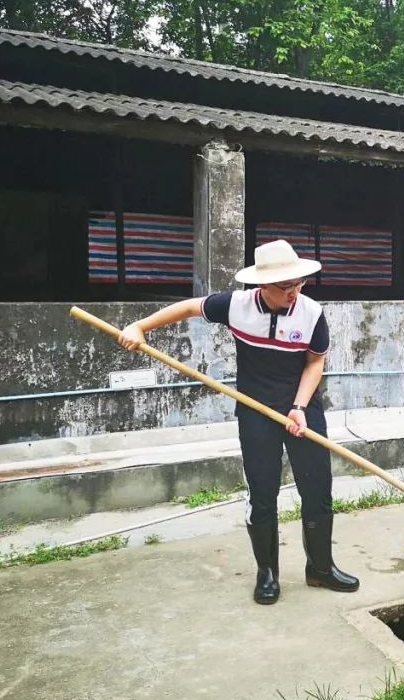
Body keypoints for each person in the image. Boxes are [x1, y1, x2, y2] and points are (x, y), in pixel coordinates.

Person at [117, 239, 359, 605]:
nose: (294, 293)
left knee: (317, 490)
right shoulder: (235, 306)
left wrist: (298, 406)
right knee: (263, 494)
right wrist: (139, 327)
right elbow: (188, 307)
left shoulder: (311, 313)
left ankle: (320, 569)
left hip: (302, 409)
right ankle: (268, 574)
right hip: (254, 410)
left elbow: (314, 362)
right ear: (262, 286)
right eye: (285, 287)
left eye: (298, 284)